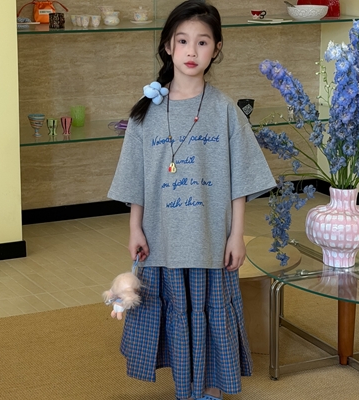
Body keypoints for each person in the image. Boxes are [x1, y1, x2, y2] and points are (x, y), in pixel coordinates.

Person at [108, 1, 276, 399]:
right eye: (182, 41)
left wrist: (237, 235)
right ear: (168, 46)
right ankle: (185, 387)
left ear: (216, 49)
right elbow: (135, 178)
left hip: (209, 239)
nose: (191, 51)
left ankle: (208, 389)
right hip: (162, 237)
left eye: (202, 42)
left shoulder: (225, 110)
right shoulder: (145, 114)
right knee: (171, 312)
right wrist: (135, 227)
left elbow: (240, 180)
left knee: (209, 313)